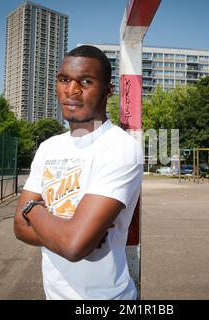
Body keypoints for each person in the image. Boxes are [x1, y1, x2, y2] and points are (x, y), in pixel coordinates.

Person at [13, 45, 143, 300]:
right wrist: (68, 232)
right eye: (64, 80)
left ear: (108, 91)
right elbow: (19, 228)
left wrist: (32, 210)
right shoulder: (48, 148)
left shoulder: (120, 148)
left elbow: (74, 246)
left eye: (86, 81)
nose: (72, 90)